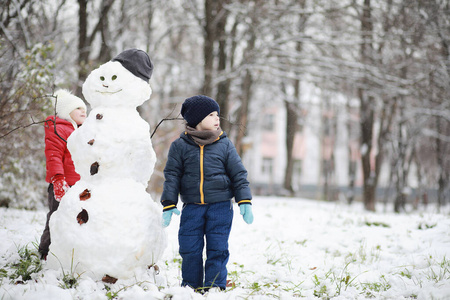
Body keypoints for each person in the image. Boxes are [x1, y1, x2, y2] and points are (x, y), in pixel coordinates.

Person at [160, 95, 254, 292]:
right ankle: (191, 287)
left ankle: (214, 286)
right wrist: (169, 203)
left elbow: (238, 173)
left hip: (220, 206)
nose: (217, 118)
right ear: (197, 119)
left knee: (218, 248)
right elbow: (172, 175)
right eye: (211, 114)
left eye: (217, 114)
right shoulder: (180, 146)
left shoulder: (224, 144)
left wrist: (244, 200)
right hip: (192, 207)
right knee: (189, 248)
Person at [38, 89, 87, 260]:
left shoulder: (82, 131)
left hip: (79, 185)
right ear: (67, 112)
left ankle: (70, 253)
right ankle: (45, 251)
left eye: (84, 109)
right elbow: (53, 156)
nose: (83, 111)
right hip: (62, 183)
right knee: (57, 217)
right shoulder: (58, 128)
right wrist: (58, 179)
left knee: (77, 219)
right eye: (78, 108)